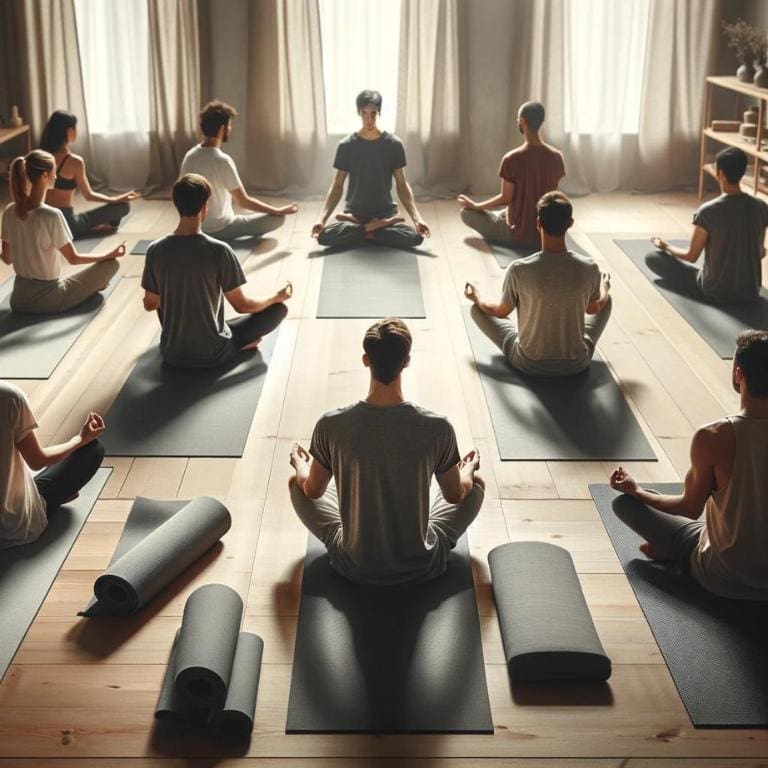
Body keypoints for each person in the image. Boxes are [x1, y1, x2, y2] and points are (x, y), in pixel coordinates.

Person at [288, 317, 484, 585]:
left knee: (296, 485)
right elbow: (455, 495)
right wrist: (468, 470)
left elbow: (312, 491)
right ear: (407, 361)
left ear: (366, 360)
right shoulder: (438, 428)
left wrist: (301, 466)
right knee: (477, 486)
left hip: (353, 566)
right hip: (421, 566)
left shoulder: (330, 425)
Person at [609, 330, 768, 600]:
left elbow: (689, 508)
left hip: (721, 576)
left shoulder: (714, 436)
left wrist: (637, 491)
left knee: (623, 505)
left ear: (739, 374)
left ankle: (677, 552)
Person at [141, 173, 291, 369]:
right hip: (214, 354)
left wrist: (175, 290)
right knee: (278, 310)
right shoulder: (220, 251)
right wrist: (276, 297)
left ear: (176, 205)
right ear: (205, 207)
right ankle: (238, 346)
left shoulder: (155, 249)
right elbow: (242, 306)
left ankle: (200, 338)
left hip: (172, 353)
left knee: (213, 321)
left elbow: (150, 304)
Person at [466, 191, 611, 376]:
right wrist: (605, 289)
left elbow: (500, 312)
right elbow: (592, 309)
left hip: (528, 364)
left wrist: (477, 297)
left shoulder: (519, 269)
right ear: (570, 224)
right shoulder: (589, 267)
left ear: (538, 224)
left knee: (477, 310)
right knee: (607, 301)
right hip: (577, 364)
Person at [1, 150, 125, 314]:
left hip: (18, 300)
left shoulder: (9, 211)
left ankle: (92, 285)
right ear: (45, 175)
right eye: (54, 171)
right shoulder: (51, 215)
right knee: (111, 264)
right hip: (50, 299)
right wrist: (108, 255)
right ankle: (94, 285)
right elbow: (73, 259)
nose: (56, 176)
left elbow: (7, 259)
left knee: (86, 278)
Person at [311, 90, 430, 250]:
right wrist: (321, 219)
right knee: (324, 237)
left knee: (416, 238)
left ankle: (365, 231)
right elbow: (337, 185)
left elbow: (402, 184)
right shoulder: (346, 145)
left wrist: (417, 219)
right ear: (358, 113)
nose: (369, 119)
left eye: (373, 113)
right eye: (364, 113)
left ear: (379, 112)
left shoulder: (393, 144)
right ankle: (377, 229)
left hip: (384, 213)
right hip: (355, 215)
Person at [651, 146, 768, 303]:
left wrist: (665, 246)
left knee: (652, 258)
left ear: (720, 174)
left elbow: (691, 256)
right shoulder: (761, 206)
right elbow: (760, 252)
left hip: (716, 291)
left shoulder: (708, 211)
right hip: (750, 291)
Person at [0, 379, 105, 549]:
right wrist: (79, 439)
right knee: (93, 448)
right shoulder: (8, 396)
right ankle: (52, 499)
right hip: (13, 526)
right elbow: (37, 461)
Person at [179, 100, 298, 241]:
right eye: (229, 125)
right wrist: (278, 210)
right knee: (278, 219)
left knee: (243, 216)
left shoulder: (190, 155)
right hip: (221, 229)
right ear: (222, 128)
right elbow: (243, 202)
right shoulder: (222, 160)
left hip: (194, 228)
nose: (230, 129)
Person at [458, 101, 565, 248]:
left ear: (522, 122)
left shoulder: (511, 158)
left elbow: (505, 198)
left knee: (466, 213)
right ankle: (503, 216)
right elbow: (551, 197)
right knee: (503, 212)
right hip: (544, 232)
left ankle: (502, 218)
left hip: (517, 233)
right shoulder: (557, 157)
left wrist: (476, 206)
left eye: (517, 120)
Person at [40, 110, 137, 239]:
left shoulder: (38, 156)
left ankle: (97, 226)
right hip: (67, 226)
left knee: (81, 218)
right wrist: (115, 199)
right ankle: (99, 226)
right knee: (123, 206)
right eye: (75, 128)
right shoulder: (75, 162)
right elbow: (89, 195)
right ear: (69, 132)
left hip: (42, 223)